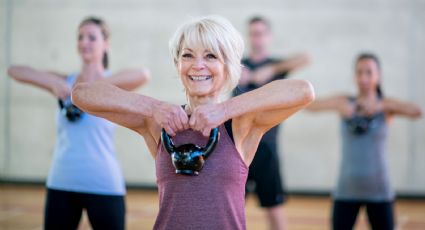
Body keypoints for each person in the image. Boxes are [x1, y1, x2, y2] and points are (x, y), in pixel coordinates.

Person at [71, 15, 315, 230]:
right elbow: (81, 94)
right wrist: (153, 106)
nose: (198, 65)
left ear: (227, 66)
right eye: (188, 55)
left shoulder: (240, 125)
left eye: (210, 55)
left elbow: (303, 91)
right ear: (178, 65)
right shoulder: (159, 123)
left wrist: (224, 109)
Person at [7, 16, 150, 230]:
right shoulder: (65, 81)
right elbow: (15, 70)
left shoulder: (113, 84)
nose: (84, 42)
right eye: (80, 37)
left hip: (104, 184)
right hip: (61, 182)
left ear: (106, 45)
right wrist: (54, 83)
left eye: (92, 37)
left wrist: (89, 88)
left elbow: (143, 74)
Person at [306, 53, 422, 230]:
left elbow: (417, 111)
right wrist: (342, 107)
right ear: (354, 75)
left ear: (378, 75)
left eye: (369, 72)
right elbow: (310, 106)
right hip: (346, 190)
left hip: (379, 191)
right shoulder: (344, 101)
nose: (363, 78)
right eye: (359, 72)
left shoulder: (386, 105)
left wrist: (381, 106)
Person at [233, 16, 310, 230]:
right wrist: (235, 72)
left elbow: (305, 57)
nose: (256, 38)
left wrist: (271, 70)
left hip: (267, 147)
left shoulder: (276, 66)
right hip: (238, 148)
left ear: (268, 36)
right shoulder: (238, 66)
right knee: (233, 206)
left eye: (260, 33)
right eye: (252, 33)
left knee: (274, 205)